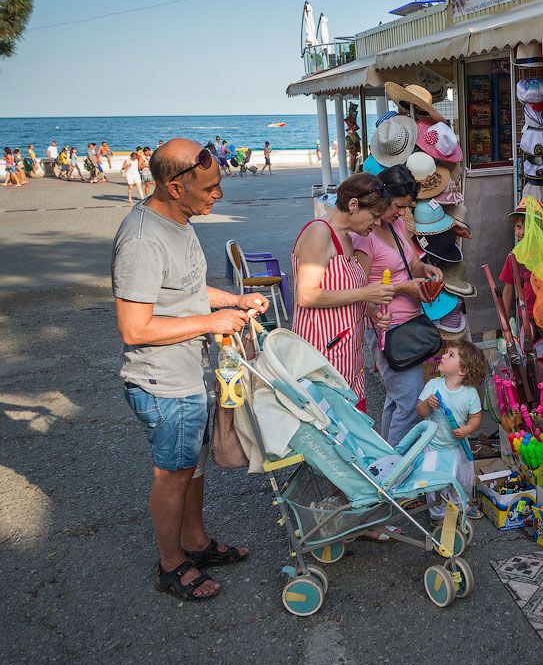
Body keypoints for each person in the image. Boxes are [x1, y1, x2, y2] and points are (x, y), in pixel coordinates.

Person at [112, 138, 269, 601]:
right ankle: (171, 564)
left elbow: (186, 290)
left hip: (191, 373)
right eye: (211, 187)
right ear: (176, 187)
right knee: (172, 473)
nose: (218, 195)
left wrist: (235, 300)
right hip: (164, 381)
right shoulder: (141, 239)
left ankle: (196, 543)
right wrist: (211, 321)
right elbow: (134, 328)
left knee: (193, 467)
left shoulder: (178, 221)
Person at [351, 164, 443, 447]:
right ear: (382, 198)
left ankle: (387, 462)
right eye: (399, 206)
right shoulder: (364, 237)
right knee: (409, 405)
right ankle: (398, 473)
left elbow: (411, 264)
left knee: (396, 401)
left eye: (407, 207)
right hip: (387, 330)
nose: (402, 213)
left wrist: (424, 270)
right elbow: (359, 293)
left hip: (409, 323)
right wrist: (403, 288)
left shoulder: (398, 224)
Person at [291, 172, 395, 408]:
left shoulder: (347, 238)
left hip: (349, 361)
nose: (378, 223)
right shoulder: (319, 232)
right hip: (321, 361)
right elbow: (306, 295)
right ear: (353, 205)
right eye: (375, 215)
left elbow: (342, 294)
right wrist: (366, 293)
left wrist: (371, 311)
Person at [415, 340, 487, 523]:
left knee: (462, 479)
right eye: (446, 353)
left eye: (451, 354)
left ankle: (462, 504)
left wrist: (468, 429)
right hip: (433, 446)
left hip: (458, 447)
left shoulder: (470, 393)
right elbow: (420, 412)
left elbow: (476, 417)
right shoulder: (433, 385)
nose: (444, 356)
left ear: (462, 370)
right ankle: (438, 514)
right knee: (434, 483)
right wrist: (427, 404)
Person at [499, 202, 535, 320]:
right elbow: (508, 289)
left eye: (527, 227)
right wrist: (505, 322)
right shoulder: (513, 257)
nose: (523, 232)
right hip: (526, 317)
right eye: (519, 227)